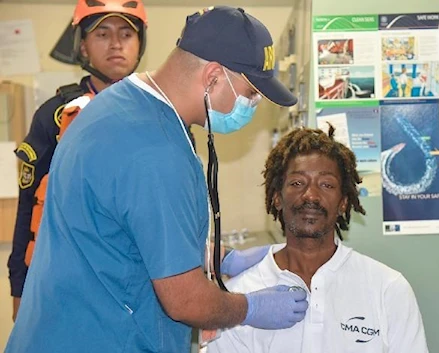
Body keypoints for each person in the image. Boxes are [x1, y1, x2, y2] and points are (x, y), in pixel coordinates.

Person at [5, 6, 308, 353]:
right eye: (251, 93)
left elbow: (121, 231)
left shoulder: (116, 104)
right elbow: (185, 300)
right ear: (212, 77)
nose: (252, 105)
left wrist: (218, 258)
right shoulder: (156, 151)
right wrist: (250, 307)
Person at [208, 126, 429, 353]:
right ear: (277, 198)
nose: (311, 195)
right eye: (297, 183)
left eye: (326, 185)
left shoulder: (388, 289)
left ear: (343, 202)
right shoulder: (240, 298)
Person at [7, 0, 150, 322]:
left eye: (127, 33)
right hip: (69, 284)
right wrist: (20, 290)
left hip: (143, 283)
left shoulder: (164, 113)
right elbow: (29, 207)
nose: (116, 43)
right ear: (82, 46)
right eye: (102, 34)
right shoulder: (55, 116)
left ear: (140, 43)